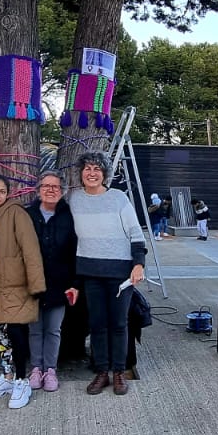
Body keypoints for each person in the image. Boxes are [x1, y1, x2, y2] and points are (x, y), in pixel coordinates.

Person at [68, 153, 147, 395]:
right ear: (81, 172)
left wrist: (138, 264)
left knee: (119, 324)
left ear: (104, 174)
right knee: (97, 324)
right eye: (87, 168)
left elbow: (136, 233)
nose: (91, 173)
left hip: (119, 274)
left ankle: (119, 372)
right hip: (90, 273)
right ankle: (102, 371)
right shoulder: (74, 199)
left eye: (97, 169)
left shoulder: (118, 198)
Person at [0, 176, 45, 409]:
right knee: (2, 335)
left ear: (8, 194)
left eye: (2, 191)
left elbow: (31, 250)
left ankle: (22, 379)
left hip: (17, 285)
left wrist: (36, 285)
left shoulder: (16, 214)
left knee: (17, 332)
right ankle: (7, 376)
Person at [28, 171, 78, 392]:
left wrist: (75, 283)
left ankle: (50, 370)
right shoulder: (27, 215)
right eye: (46, 186)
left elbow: (77, 251)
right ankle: (36, 368)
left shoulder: (69, 215)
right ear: (38, 190)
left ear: (62, 191)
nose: (50, 190)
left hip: (60, 283)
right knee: (35, 329)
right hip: (32, 283)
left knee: (54, 329)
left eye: (55, 187)